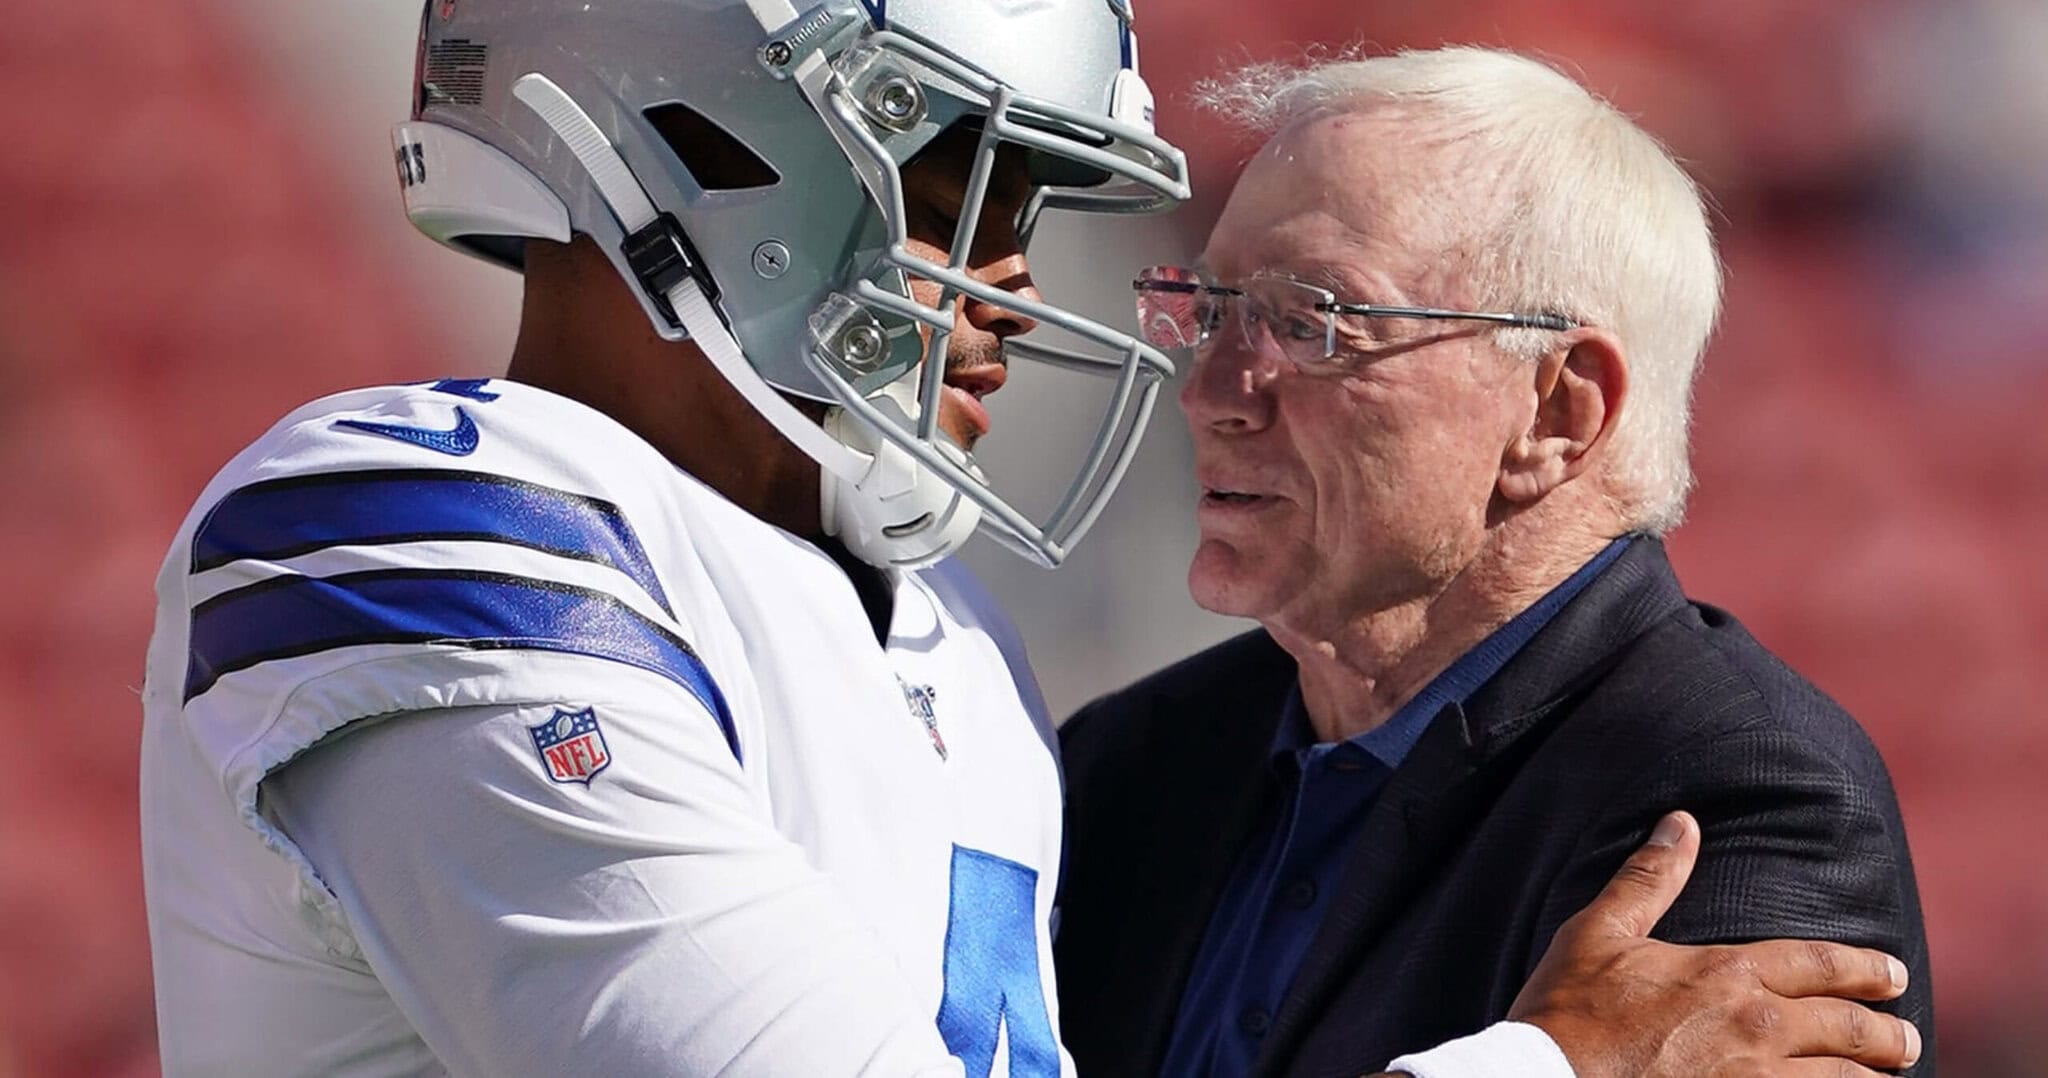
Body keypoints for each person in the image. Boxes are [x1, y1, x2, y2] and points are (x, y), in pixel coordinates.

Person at [137, 6, 1916, 1075]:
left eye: (1310, 314)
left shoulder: (950, 646)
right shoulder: (417, 519)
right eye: (945, 192)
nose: (1005, 285)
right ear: (688, 148)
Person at [1053, 46, 1936, 1077]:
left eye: (1306, 321)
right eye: (1206, 310)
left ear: (1557, 409)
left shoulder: (1733, 796)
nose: (1210, 390)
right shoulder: (1133, 762)